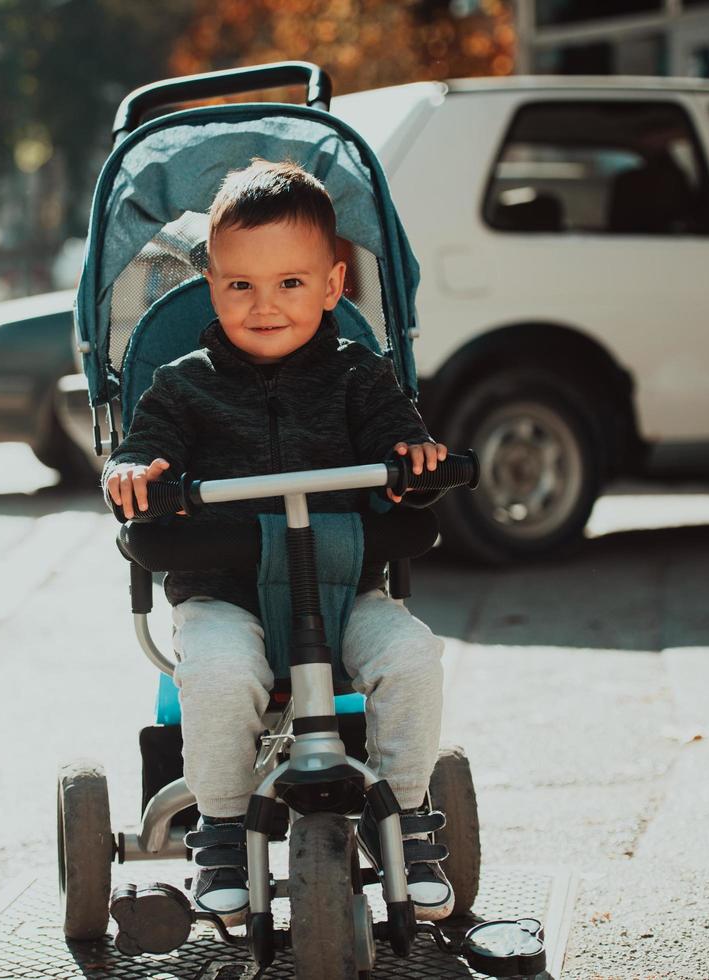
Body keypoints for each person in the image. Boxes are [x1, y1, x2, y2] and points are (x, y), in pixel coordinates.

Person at [103, 160, 453, 924]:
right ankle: (222, 826)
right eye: (241, 287)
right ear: (211, 286)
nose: (265, 306)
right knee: (222, 671)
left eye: (290, 284)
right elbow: (144, 448)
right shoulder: (182, 384)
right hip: (227, 591)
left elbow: (402, 442)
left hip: (344, 585)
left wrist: (415, 464)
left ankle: (406, 811)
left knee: (412, 657)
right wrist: (134, 469)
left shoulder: (361, 375)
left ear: (332, 286)